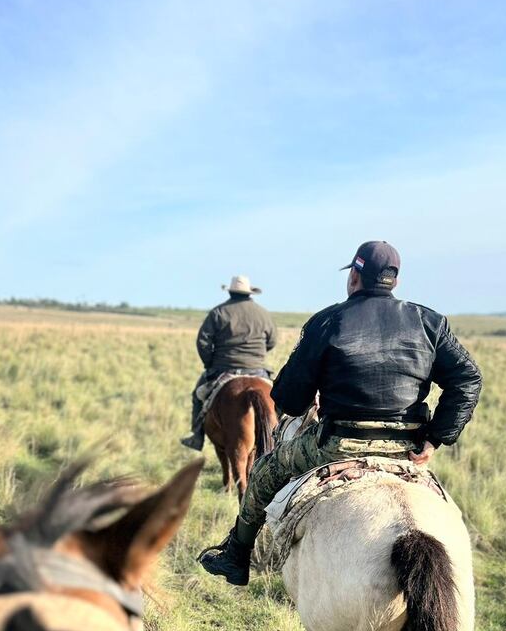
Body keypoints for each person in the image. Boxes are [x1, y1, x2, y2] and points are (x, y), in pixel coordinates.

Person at [199, 240, 483, 585]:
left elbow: (288, 400)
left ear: (354, 278)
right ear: (393, 280)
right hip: (405, 448)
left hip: (337, 445)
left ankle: (236, 556)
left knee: (264, 471)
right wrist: (436, 437)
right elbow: (468, 377)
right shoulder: (429, 321)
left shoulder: (328, 321)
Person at [180, 275, 278, 450]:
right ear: (250, 293)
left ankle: (197, 436)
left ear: (231, 291)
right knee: (279, 398)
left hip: (223, 368)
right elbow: (272, 341)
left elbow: (203, 342)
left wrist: (209, 363)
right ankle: (281, 435)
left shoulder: (218, 312)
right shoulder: (263, 313)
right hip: (257, 369)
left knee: (198, 395)